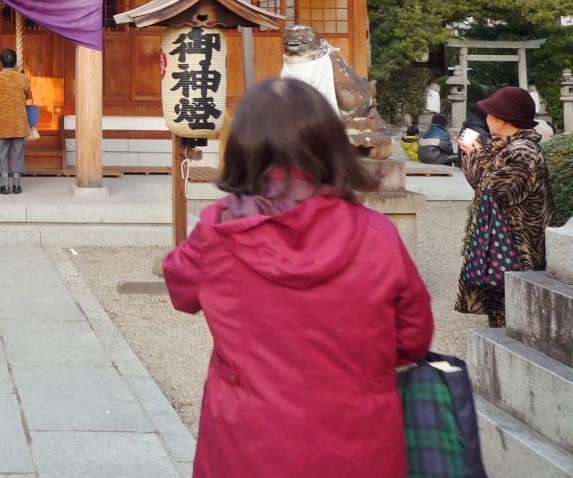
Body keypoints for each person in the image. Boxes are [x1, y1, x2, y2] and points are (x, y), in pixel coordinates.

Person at [163, 78, 433, 478]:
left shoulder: (218, 229)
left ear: (243, 147)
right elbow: (413, 339)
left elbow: (180, 289)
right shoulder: (378, 234)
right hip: (359, 438)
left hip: (247, 437)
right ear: (331, 143)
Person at [455, 86, 555, 328]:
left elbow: (499, 192)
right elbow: (482, 186)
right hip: (501, 243)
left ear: (502, 119)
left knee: (516, 315)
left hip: (517, 245)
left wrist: (476, 155)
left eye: (490, 114)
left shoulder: (522, 152)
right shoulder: (502, 147)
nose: (486, 118)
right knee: (501, 308)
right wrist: (474, 153)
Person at [0, 48, 31, 195]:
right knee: (18, 152)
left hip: (1, 120)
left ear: (0, 62)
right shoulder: (24, 78)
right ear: (15, 62)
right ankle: (16, 184)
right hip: (19, 120)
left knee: (1, 152)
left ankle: (5, 184)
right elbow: (29, 96)